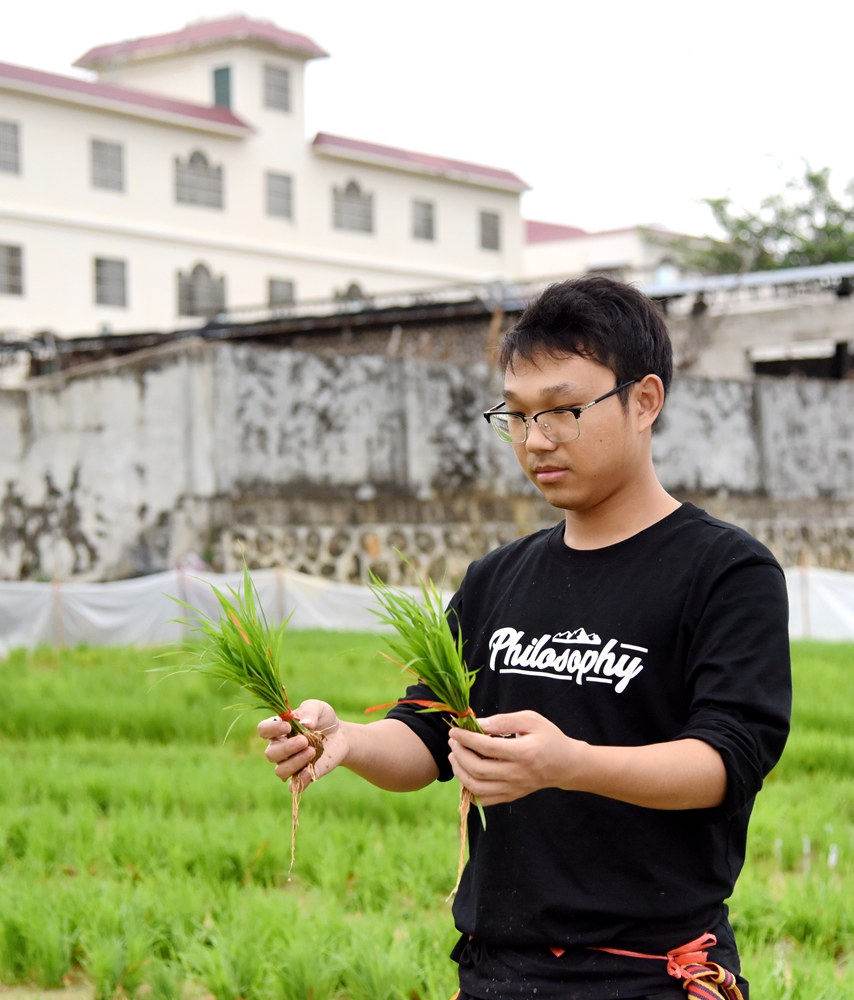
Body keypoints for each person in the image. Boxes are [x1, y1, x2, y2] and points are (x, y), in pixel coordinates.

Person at [258, 275, 792, 1000]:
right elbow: (424, 737)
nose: (536, 440)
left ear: (644, 401)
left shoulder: (724, 570)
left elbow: (728, 763)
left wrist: (570, 764)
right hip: (496, 974)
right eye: (516, 415)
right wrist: (347, 741)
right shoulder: (497, 577)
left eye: (565, 411)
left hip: (647, 978)